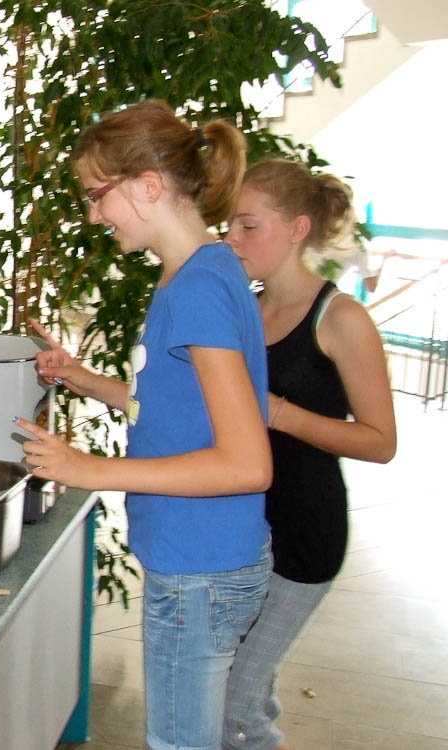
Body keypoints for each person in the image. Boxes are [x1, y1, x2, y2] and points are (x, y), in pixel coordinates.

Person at [15, 99, 272, 750]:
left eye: (97, 195)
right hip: (204, 555)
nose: (93, 215)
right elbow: (174, 409)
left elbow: (247, 464)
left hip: (199, 565)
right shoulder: (199, 270)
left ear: (148, 185)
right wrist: (81, 378)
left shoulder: (197, 289)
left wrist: (90, 469)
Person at [221, 158, 397, 750]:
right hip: (243, 528)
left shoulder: (341, 318)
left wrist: (281, 414)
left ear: (298, 229)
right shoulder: (245, 308)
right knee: (246, 685)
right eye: (229, 225)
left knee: (235, 704)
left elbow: (381, 441)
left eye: (249, 226)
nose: (232, 238)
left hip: (304, 533)